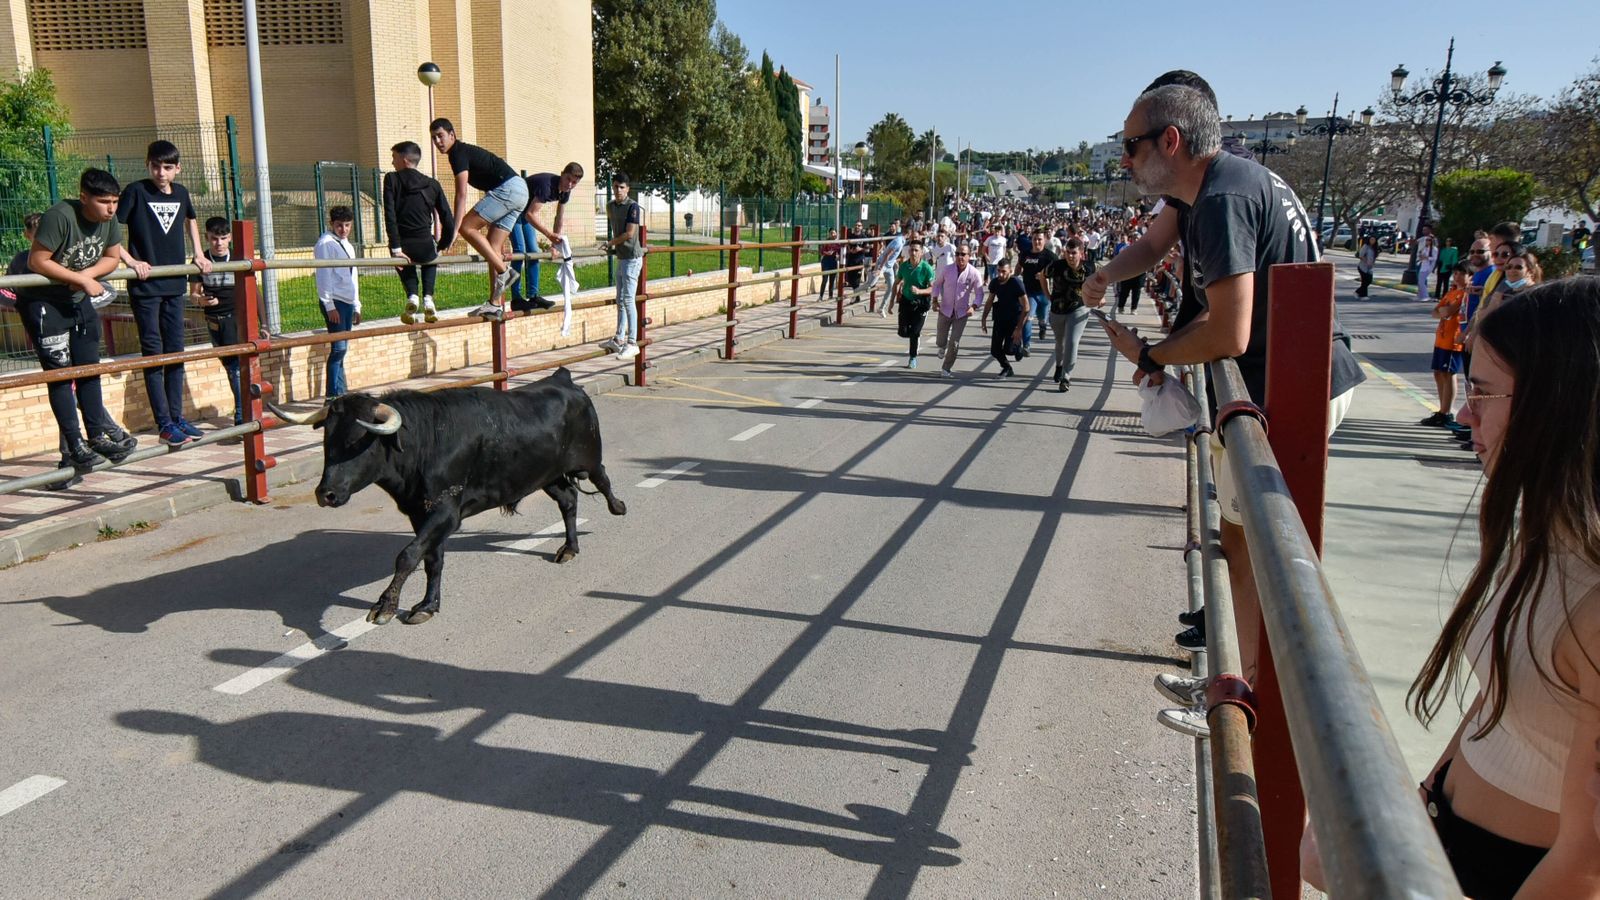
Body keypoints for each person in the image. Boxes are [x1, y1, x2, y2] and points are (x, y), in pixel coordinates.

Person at [1306, 276, 1600, 898]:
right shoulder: (1553, 530)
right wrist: (1421, 808)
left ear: (1562, 404)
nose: (1464, 413)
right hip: (1451, 832)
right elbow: (1499, 700)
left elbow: (1586, 865)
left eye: (1484, 393)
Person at [1086, 83, 1365, 682]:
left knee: (1256, 554)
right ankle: (1232, 679)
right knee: (1243, 544)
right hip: (1289, 377)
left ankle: (1242, 696)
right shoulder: (1213, 186)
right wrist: (1108, 272)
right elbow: (1154, 244)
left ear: (1171, 141)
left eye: (1131, 146)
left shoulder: (1221, 200)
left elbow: (1230, 332)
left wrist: (1150, 353)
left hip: (1294, 385)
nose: (1124, 160)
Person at [16, 168, 139, 487]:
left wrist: (88, 277)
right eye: (103, 202)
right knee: (60, 375)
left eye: (115, 201)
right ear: (84, 197)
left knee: (88, 369)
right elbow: (37, 261)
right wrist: (83, 279)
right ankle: (73, 444)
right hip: (46, 303)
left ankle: (97, 434)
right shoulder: (60, 216)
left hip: (78, 298)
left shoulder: (109, 220)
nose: (111, 209)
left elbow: (112, 258)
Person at [118, 140, 212, 446]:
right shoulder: (136, 191)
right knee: (154, 353)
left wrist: (198, 253)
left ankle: (178, 417)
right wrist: (130, 261)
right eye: (156, 166)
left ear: (177, 169)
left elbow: (191, 219)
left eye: (168, 167)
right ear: (148, 165)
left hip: (174, 284)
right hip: (146, 287)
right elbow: (109, 230)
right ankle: (164, 424)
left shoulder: (182, 193)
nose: (161, 172)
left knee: (175, 353)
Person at [430, 118, 527, 319]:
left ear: (452, 135)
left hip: (508, 188)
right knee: (493, 247)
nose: (438, 141)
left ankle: (505, 272)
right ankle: (495, 303)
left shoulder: (457, 153)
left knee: (467, 227)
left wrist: (456, 230)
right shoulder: (460, 152)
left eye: (440, 136)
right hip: (520, 191)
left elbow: (461, 194)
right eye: (434, 138)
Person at [383, 141, 455, 326]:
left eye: (394, 158)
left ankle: (413, 296)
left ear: (405, 160)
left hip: (403, 244)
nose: (392, 163)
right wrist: (443, 244)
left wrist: (395, 247)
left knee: (404, 260)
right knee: (431, 256)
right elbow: (447, 217)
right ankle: (428, 298)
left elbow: (390, 215)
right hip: (425, 244)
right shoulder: (433, 184)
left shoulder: (392, 179)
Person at [189, 218, 243, 425]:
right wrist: (201, 300)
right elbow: (193, 295)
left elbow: (253, 292)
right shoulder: (200, 261)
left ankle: (241, 414)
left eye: (223, 238)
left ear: (229, 238)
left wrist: (264, 322)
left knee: (236, 367)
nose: (218, 243)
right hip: (213, 321)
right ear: (206, 238)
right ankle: (242, 410)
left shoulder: (239, 258)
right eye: (214, 239)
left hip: (235, 319)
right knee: (231, 367)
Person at [510, 162, 584, 312]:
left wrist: (554, 244)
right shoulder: (546, 186)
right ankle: (516, 299)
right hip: (513, 209)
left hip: (524, 212)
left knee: (534, 251)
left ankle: (533, 296)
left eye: (574, 183)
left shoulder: (565, 191)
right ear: (562, 174)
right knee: (520, 251)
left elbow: (559, 217)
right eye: (568, 179)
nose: (569, 184)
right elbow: (531, 214)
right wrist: (549, 235)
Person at [314, 206, 361, 398]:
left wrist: (357, 304)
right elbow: (323, 275)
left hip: (347, 301)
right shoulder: (326, 243)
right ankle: (332, 396)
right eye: (339, 225)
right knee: (338, 349)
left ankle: (342, 394)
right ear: (331, 224)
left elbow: (353, 276)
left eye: (347, 225)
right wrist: (329, 305)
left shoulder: (347, 245)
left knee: (343, 350)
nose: (343, 229)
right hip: (336, 302)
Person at [1419, 263, 1469, 429]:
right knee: (1438, 373)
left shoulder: (1464, 294)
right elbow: (1436, 312)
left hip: (1453, 340)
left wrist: (1445, 310)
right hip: (1441, 338)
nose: (1457, 276)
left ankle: (1446, 412)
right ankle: (1441, 409)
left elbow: (1447, 312)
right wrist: (1444, 310)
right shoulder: (1451, 292)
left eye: (1461, 273)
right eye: (1455, 273)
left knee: (1449, 374)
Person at [598, 172, 643, 360]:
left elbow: (629, 233)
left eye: (622, 187)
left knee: (628, 298)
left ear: (628, 189)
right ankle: (618, 338)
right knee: (620, 299)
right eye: (615, 186)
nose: (618, 190)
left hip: (632, 258)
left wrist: (609, 243)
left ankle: (632, 342)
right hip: (621, 258)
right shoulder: (610, 206)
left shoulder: (633, 207)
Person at [932, 242, 984, 377]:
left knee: (954, 343)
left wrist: (974, 306)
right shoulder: (947, 269)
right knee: (940, 340)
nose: (960, 257)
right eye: (957, 254)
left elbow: (979, 293)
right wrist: (934, 300)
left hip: (961, 313)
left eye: (963, 254)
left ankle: (946, 368)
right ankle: (942, 347)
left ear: (969, 256)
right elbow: (937, 285)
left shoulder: (973, 273)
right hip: (945, 310)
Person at [1045, 237, 1090, 392]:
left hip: (1079, 308)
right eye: (1068, 253)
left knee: (1072, 341)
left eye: (1074, 253)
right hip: (1057, 308)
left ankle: (1066, 377)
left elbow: (1102, 280)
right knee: (1060, 342)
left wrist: (1099, 297)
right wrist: (1047, 294)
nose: (1070, 256)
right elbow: (1042, 276)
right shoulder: (1057, 266)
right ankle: (1059, 365)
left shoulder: (1089, 267)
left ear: (1081, 253)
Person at [980, 258, 1028, 377]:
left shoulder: (1016, 283)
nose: (1001, 274)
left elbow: (1026, 307)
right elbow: (989, 301)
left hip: (1014, 319)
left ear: (1010, 271)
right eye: (999, 271)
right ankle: (1007, 367)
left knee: (1009, 350)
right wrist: (984, 319)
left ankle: (1018, 348)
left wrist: (1019, 328)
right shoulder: (995, 282)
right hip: (1000, 317)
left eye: (1004, 272)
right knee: (995, 350)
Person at [894, 241, 935, 367]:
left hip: (921, 303)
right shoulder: (904, 266)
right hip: (906, 301)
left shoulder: (926, 268)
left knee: (914, 333)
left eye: (916, 250)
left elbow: (933, 288)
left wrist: (920, 291)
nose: (913, 253)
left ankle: (913, 357)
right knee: (902, 332)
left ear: (922, 252)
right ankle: (913, 334)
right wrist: (891, 302)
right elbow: (896, 283)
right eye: (911, 250)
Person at [1018, 228, 1054, 350]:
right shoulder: (1025, 253)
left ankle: (1043, 326)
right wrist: (1013, 276)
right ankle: (1026, 345)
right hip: (1029, 292)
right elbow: (1019, 267)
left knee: (1042, 317)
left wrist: (1045, 275)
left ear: (1044, 240)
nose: (1037, 242)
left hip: (1044, 293)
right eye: (1034, 239)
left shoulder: (1050, 256)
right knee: (1028, 317)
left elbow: (1059, 272)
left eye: (1040, 239)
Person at [875, 222, 906, 317]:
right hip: (884, 263)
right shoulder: (891, 236)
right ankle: (856, 292)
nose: (892, 227)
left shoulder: (899, 237)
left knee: (892, 286)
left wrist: (894, 260)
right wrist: (880, 268)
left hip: (890, 264)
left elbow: (895, 253)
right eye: (891, 226)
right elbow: (888, 252)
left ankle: (881, 307)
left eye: (894, 226)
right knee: (871, 284)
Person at [818, 229, 841, 299]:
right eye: (831, 233)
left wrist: (838, 256)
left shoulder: (838, 243)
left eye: (834, 233)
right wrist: (827, 253)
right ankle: (820, 296)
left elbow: (840, 253)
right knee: (825, 279)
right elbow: (821, 251)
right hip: (826, 262)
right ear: (829, 234)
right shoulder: (826, 242)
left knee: (832, 280)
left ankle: (830, 296)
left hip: (833, 262)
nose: (833, 234)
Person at [1417, 234, 1438, 302]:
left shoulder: (1434, 249)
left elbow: (1434, 258)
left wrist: (1426, 258)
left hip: (1428, 267)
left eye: (1429, 240)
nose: (1427, 241)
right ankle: (1420, 296)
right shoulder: (1425, 248)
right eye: (1426, 240)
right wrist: (1421, 256)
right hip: (1423, 265)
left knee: (1422, 282)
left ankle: (1426, 296)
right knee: (1420, 282)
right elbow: (1420, 254)